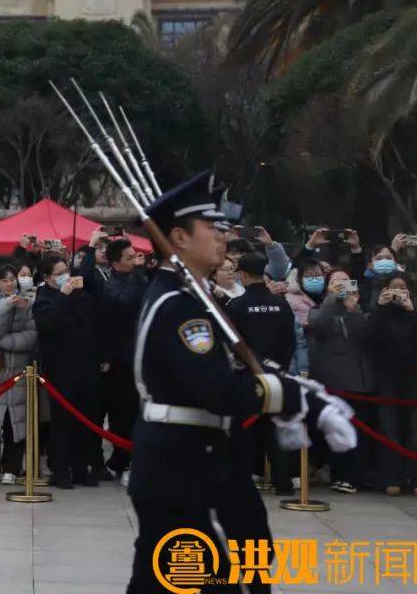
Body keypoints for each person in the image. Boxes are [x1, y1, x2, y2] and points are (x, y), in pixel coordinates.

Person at [125, 171, 351, 594]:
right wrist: (293, 398)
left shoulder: (193, 298)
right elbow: (218, 390)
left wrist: (304, 399)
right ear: (178, 237)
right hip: (185, 462)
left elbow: (238, 368)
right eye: (211, 228)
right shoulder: (178, 307)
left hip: (196, 456)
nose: (222, 238)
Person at [226, 252, 298, 495]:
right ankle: (283, 481)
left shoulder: (236, 306)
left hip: (246, 376)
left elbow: (231, 343)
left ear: (243, 274)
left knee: (243, 430)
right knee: (272, 429)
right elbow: (290, 341)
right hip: (276, 374)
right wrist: (281, 367)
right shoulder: (281, 304)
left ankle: (242, 480)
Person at [33, 255, 100, 488]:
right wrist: (62, 296)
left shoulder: (81, 296)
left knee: (86, 419)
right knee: (62, 422)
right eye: (59, 273)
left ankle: (82, 468)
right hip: (60, 369)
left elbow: (92, 324)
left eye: (66, 271)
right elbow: (48, 323)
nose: (65, 276)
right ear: (48, 278)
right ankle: (60, 469)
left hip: (86, 366)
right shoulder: (43, 299)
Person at [306, 269, 372, 493]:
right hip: (330, 380)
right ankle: (337, 474)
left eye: (345, 282)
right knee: (332, 431)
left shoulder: (361, 311)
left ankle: (352, 477)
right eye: (336, 282)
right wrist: (332, 299)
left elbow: (364, 333)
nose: (341, 285)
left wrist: (352, 309)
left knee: (356, 431)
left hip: (356, 381)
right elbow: (319, 326)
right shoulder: (320, 309)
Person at [0, 264, 38, 484]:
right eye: (4, 280)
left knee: (16, 422)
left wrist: (6, 342)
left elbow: (32, 335)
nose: (10, 283)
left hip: (20, 371)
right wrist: (3, 307)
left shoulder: (27, 302)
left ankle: (11, 469)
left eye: (12, 279)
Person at [98, 237, 149, 484]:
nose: (135, 260)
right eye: (129, 258)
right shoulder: (111, 285)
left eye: (135, 256)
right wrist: (138, 274)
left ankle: (132, 460)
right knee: (123, 416)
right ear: (116, 263)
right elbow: (126, 302)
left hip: (143, 356)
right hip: (121, 362)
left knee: (140, 414)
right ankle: (123, 461)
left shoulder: (140, 279)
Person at [365, 275, 417, 496]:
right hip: (386, 379)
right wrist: (379, 307)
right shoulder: (380, 314)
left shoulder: (412, 313)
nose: (398, 292)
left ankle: (413, 478)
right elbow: (369, 339)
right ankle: (391, 477)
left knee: (414, 430)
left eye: (402, 288)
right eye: (393, 288)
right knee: (389, 429)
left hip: (413, 379)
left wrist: (411, 311)